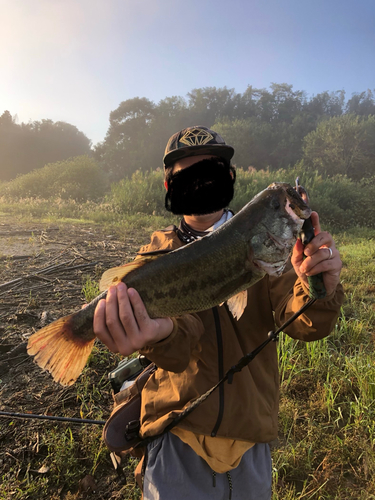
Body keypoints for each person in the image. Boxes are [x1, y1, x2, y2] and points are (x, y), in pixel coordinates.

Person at [94, 126, 344, 500]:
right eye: (188, 177)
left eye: (210, 173)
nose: (200, 184)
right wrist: (159, 335)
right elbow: (179, 349)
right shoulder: (152, 259)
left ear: (228, 178)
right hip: (177, 433)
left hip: (251, 437)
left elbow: (306, 322)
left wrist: (318, 284)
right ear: (170, 188)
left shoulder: (268, 245)